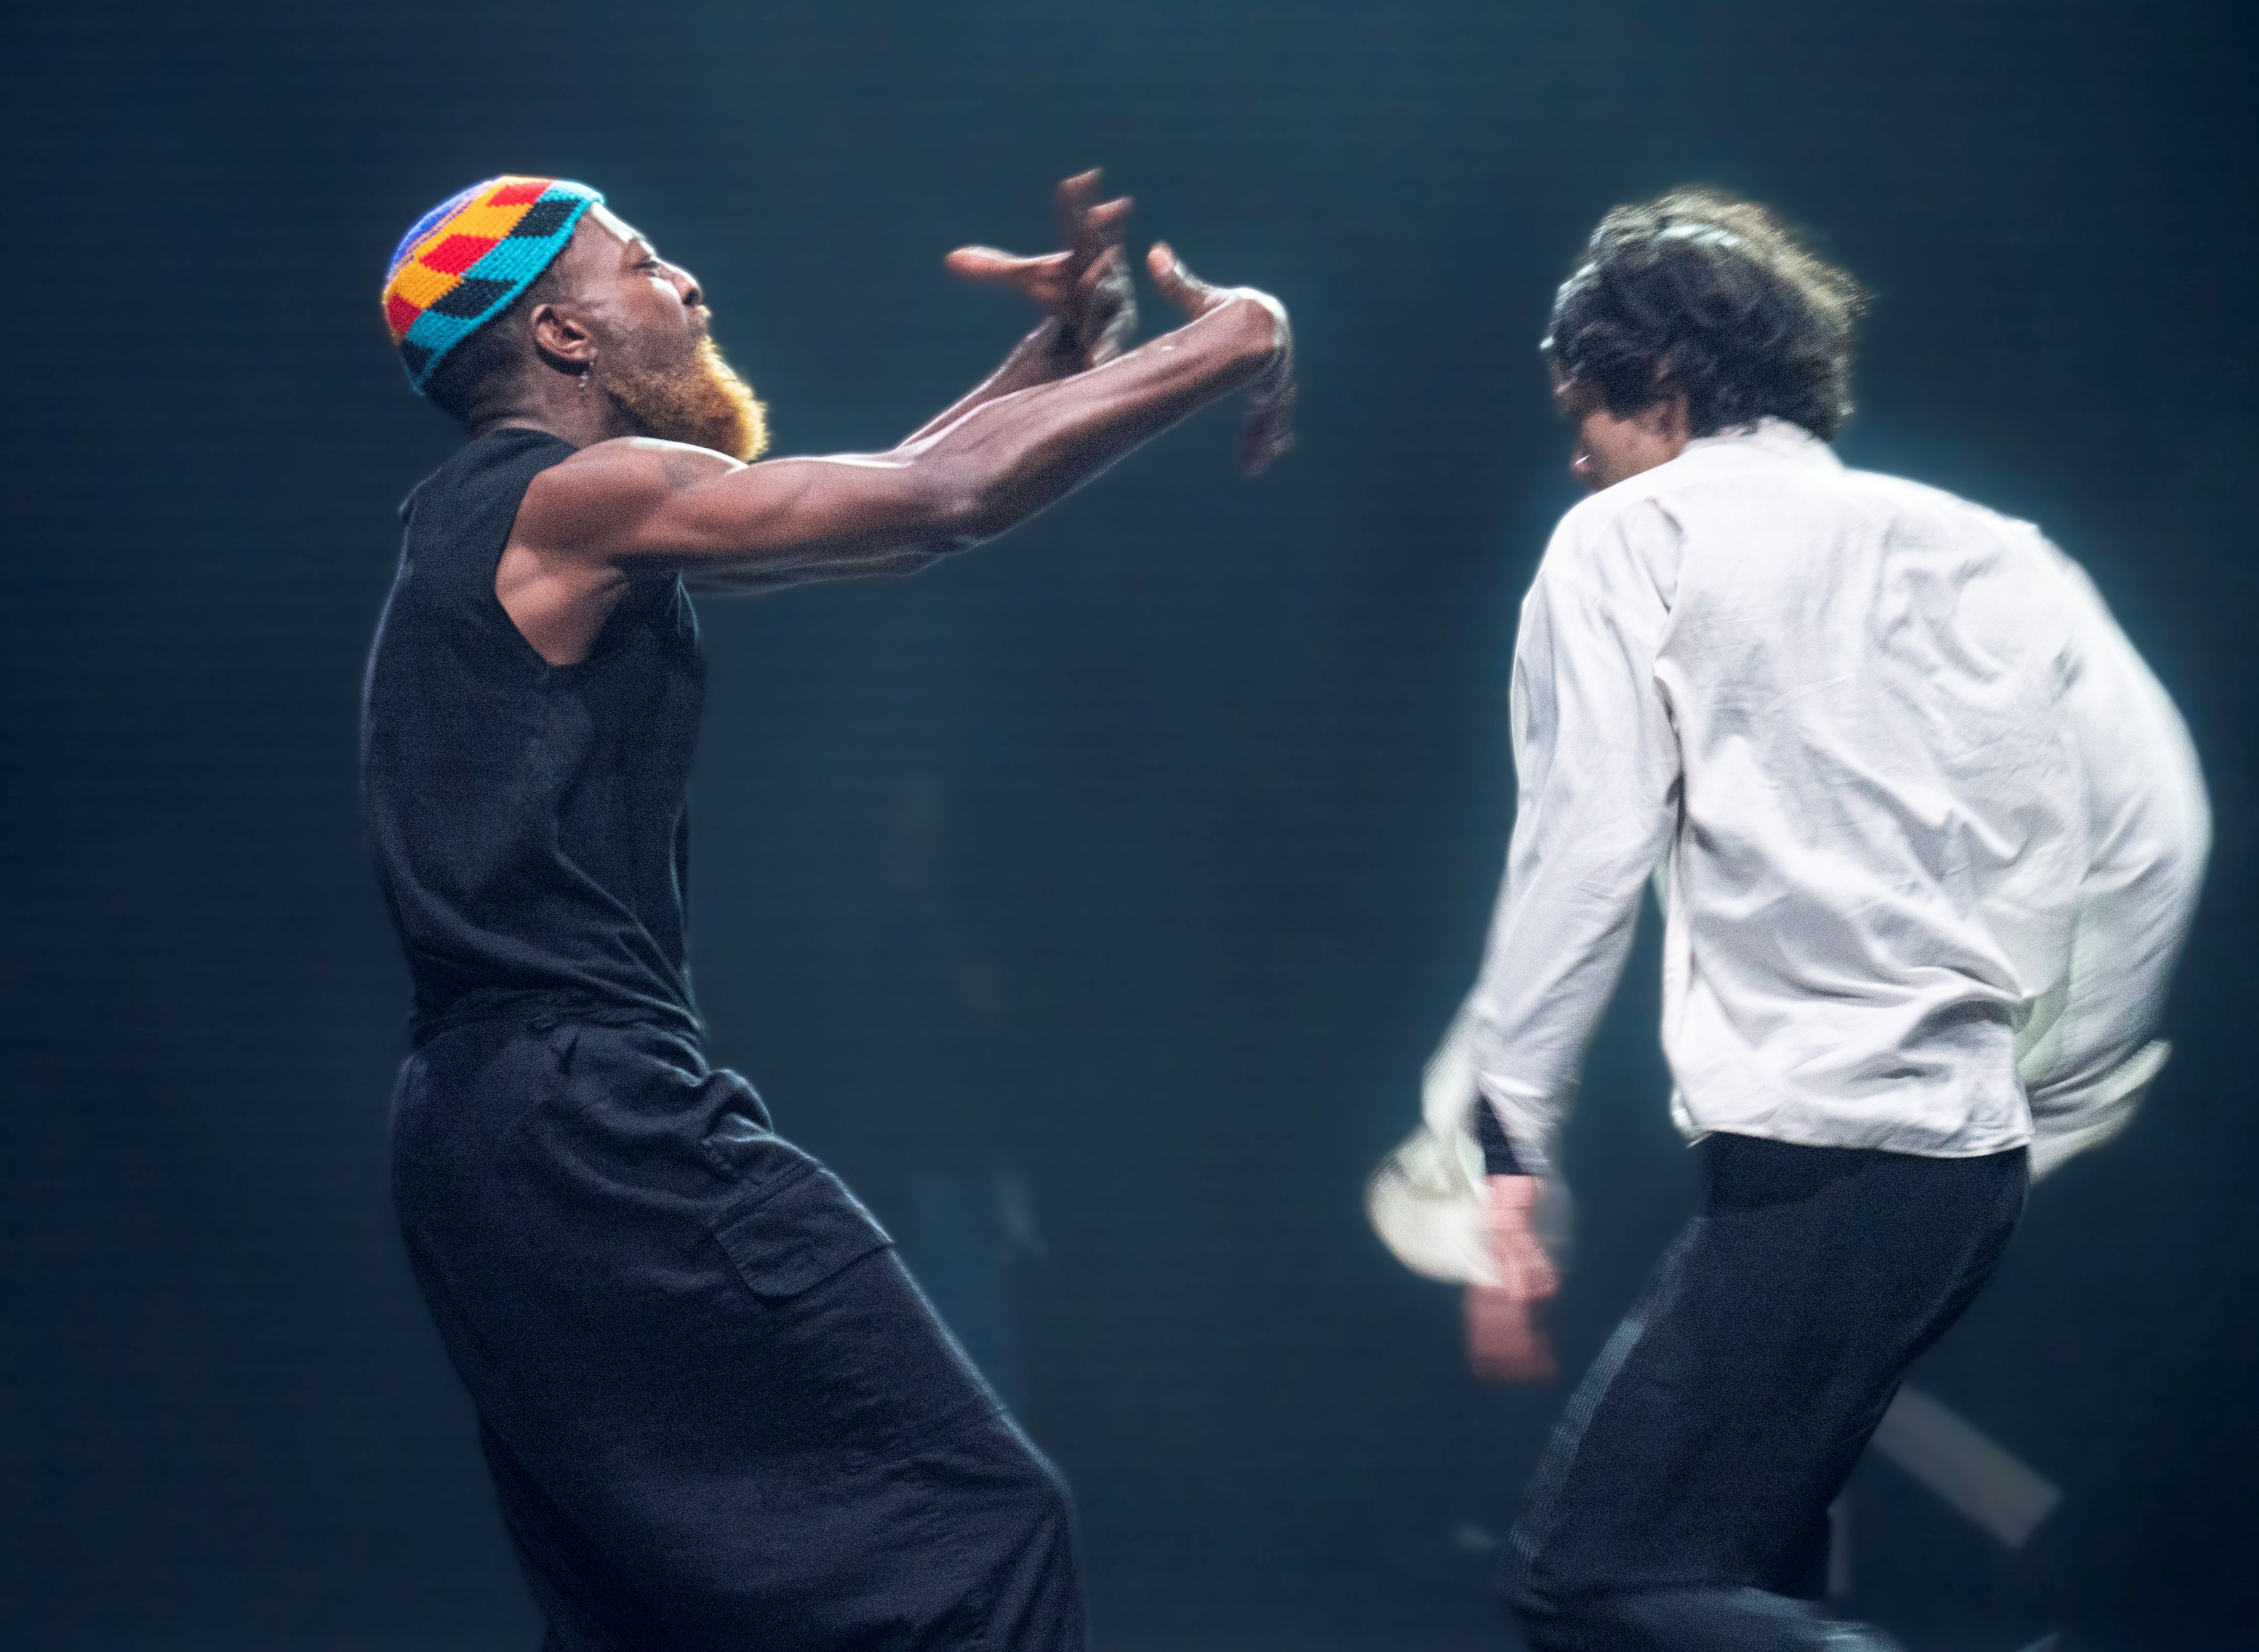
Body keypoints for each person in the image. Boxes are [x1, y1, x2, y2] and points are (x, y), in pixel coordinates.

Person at [361, 168, 1292, 1650]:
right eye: (641, 264)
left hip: (479, 1134)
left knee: (657, 1617)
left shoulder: (503, 522)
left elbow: (897, 480)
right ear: (562, 335)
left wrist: (1052, 360)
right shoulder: (570, 496)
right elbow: (937, 505)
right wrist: (1232, 338)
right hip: (580, 1112)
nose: (686, 285)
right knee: (972, 1533)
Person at [1437, 190, 2206, 1648]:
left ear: (1660, 386)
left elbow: (1580, 850)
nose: (1576, 457)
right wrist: (2052, 1079)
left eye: (1582, 414)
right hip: (1960, 1173)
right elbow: (2157, 825)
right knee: (1738, 1571)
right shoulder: (1991, 549)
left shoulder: (1626, 540)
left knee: (1591, 1583)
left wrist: (1511, 1137)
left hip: (1822, 1160)